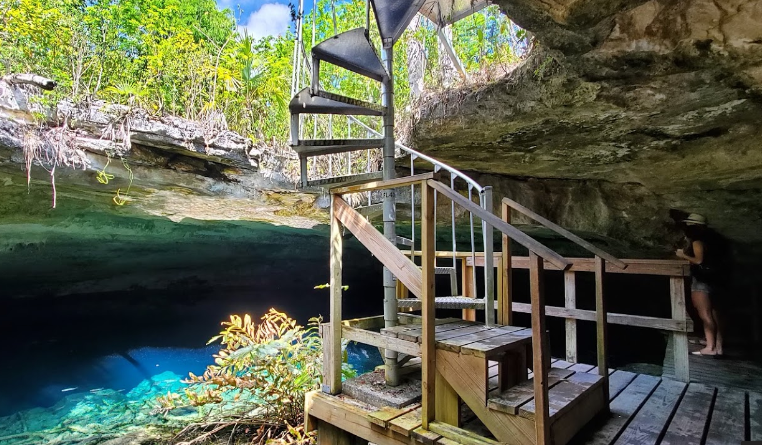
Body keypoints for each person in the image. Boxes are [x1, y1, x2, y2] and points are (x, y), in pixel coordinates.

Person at [675, 213, 723, 357]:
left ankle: (710, 347)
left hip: (701, 281)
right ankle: (717, 345)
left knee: (704, 314)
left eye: (689, 225)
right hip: (713, 280)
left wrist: (683, 255)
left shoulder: (697, 241)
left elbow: (699, 261)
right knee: (713, 313)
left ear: (695, 226)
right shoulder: (712, 241)